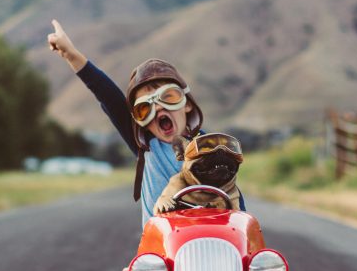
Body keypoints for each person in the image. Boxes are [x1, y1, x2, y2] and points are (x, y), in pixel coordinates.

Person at [47, 19, 245, 226]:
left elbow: (233, 196)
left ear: (187, 103)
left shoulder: (211, 148)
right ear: (139, 120)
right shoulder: (147, 145)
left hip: (210, 240)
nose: (158, 108)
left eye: (168, 97)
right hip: (160, 250)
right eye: (145, 109)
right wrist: (71, 54)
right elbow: (109, 97)